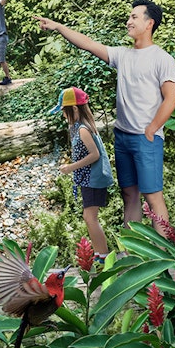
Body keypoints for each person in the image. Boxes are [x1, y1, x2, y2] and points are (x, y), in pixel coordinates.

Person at [37, 0, 175, 232]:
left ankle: (164, 251)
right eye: (129, 16)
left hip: (146, 139)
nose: (128, 21)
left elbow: (171, 99)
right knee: (129, 195)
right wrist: (58, 27)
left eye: (134, 17)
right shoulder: (122, 55)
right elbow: (88, 44)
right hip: (122, 137)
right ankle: (130, 250)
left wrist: (152, 129)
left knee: (153, 198)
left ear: (149, 23)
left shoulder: (162, 59)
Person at [56, 86, 114, 260]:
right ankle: (99, 254)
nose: (63, 115)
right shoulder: (76, 127)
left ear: (74, 109)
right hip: (88, 178)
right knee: (89, 217)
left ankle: (103, 256)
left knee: (90, 217)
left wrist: (71, 167)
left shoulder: (83, 129)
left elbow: (95, 155)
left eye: (64, 111)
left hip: (93, 178)